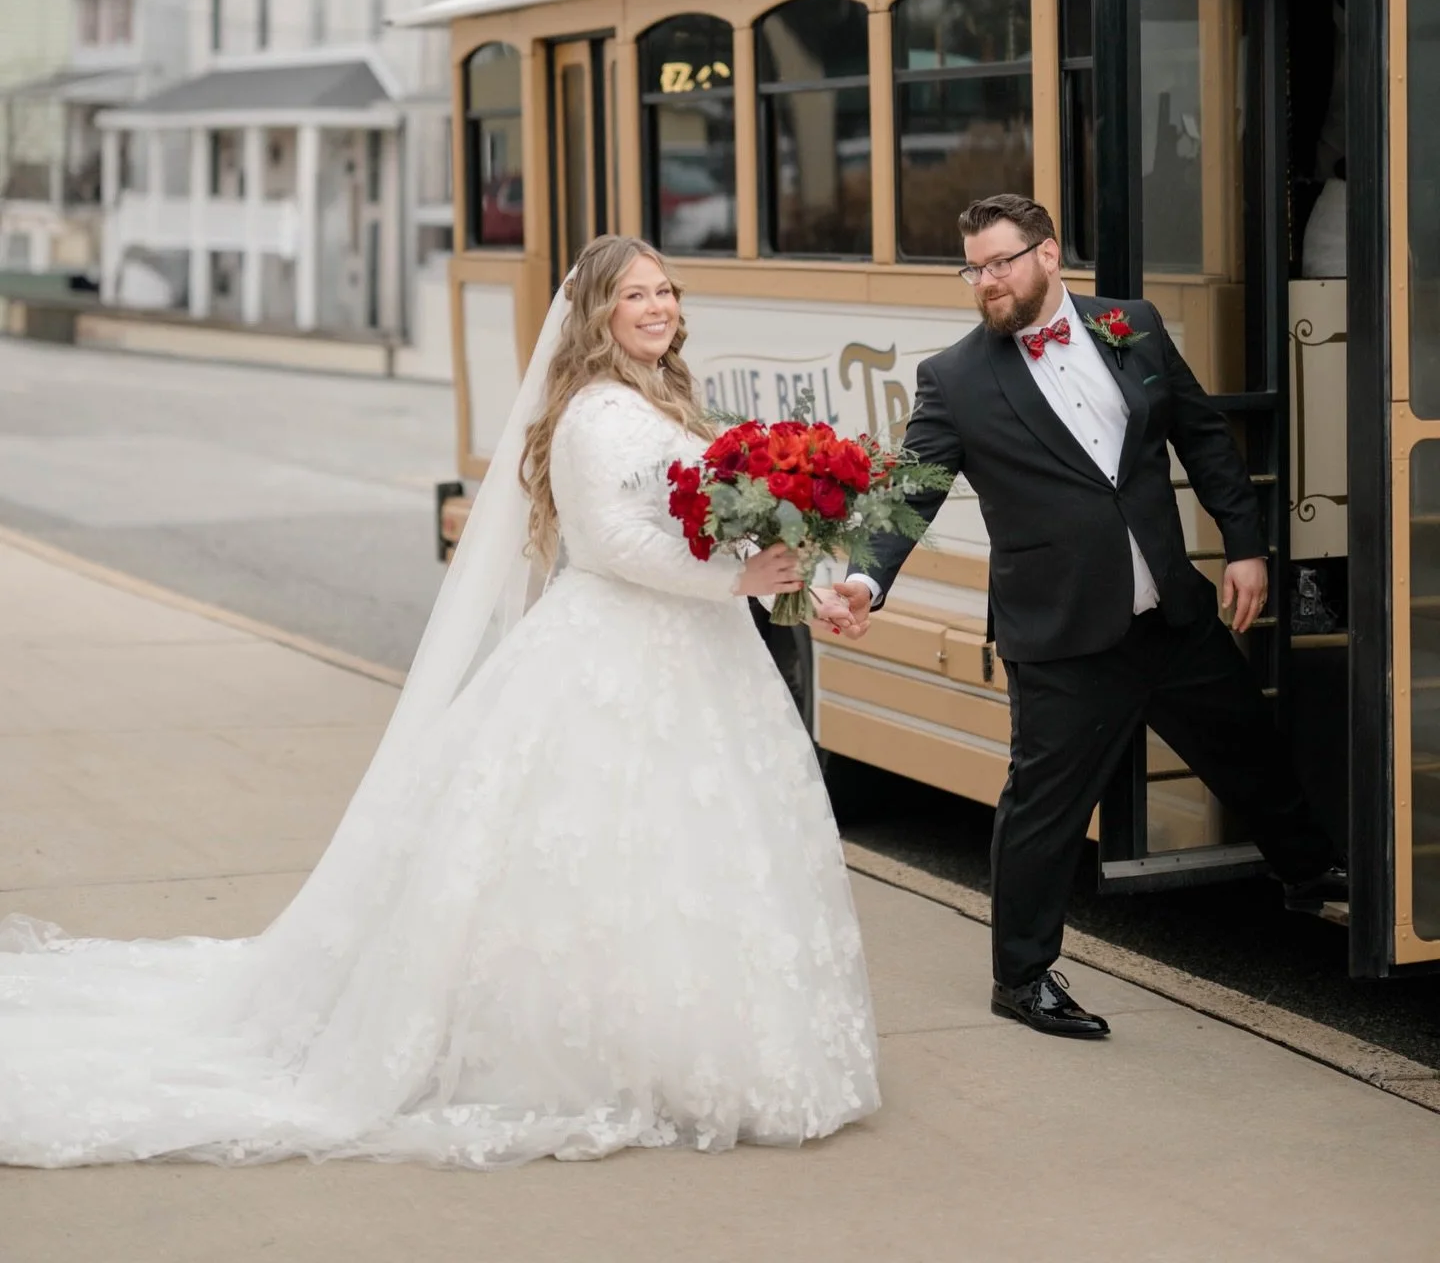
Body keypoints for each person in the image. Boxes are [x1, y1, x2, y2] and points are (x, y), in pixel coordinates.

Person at [0, 235, 879, 1166]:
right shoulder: (596, 414)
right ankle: (600, 1053)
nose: (658, 307)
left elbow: (717, 532)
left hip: (697, 650)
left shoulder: (662, 400)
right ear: (598, 313)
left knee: (699, 853)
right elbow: (614, 545)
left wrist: (798, 584)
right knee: (592, 850)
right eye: (635, 295)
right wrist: (738, 586)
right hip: (617, 646)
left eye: (666, 291)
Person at [830, 194, 1345, 1041]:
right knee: (1044, 810)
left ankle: (1309, 871)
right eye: (974, 268)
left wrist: (1245, 544)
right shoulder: (954, 378)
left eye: (1000, 262)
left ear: (1047, 256)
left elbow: (1202, 436)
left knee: (1246, 744)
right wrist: (865, 579)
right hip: (1062, 632)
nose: (986, 281)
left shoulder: (1130, 325)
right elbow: (911, 490)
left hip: (1168, 611)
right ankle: (1021, 978)